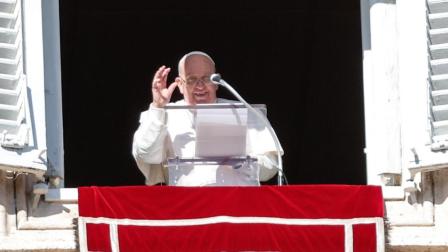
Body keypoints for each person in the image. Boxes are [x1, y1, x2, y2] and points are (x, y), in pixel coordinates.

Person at [132, 51, 282, 186]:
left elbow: (271, 167)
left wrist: (242, 161)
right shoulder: (164, 114)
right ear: (179, 84)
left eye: (206, 78)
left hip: (236, 206)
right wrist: (158, 107)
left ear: (216, 82)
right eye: (191, 80)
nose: (200, 86)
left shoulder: (244, 111)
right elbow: (147, 156)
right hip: (186, 207)